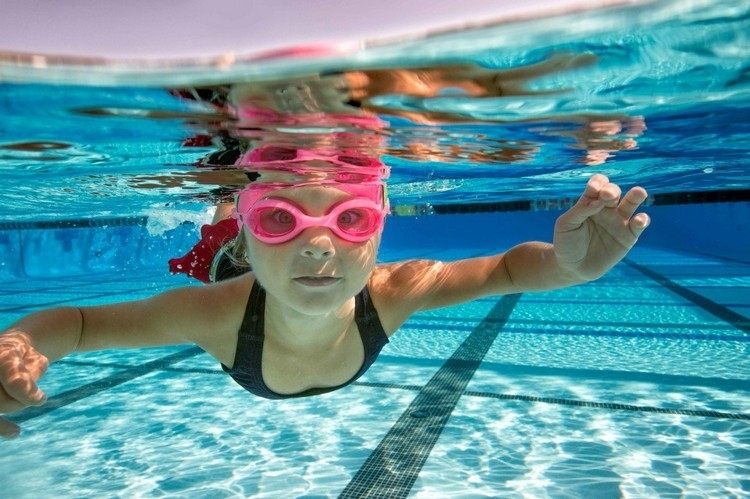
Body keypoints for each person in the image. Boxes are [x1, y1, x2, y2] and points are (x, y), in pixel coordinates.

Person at [0, 172, 649, 439]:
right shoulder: (216, 312)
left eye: (350, 216)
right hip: (231, 265)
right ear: (258, 234)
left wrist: (567, 264)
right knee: (217, 229)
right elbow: (81, 324)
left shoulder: (396, 289)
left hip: (253, 258)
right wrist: (20, 343)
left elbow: (507, 267)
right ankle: (232, 211)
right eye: (283, 216)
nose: (318, 243)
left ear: (380, 227)